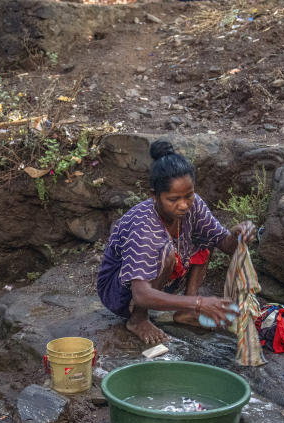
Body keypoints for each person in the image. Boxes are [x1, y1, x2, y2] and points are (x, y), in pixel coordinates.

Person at [97, 140, 256, 344]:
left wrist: (237, 236)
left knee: (205, 237)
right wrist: (199, 303)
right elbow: (141, 294)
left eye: (188, 196)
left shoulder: (194, 205)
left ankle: (185, 312)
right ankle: (137, 319)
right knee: (166, 252)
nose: (183, 205)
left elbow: (225, 244)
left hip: (160, 280)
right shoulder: (144, 228)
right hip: (121, 292)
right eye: (173, 199)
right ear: (154, 196)